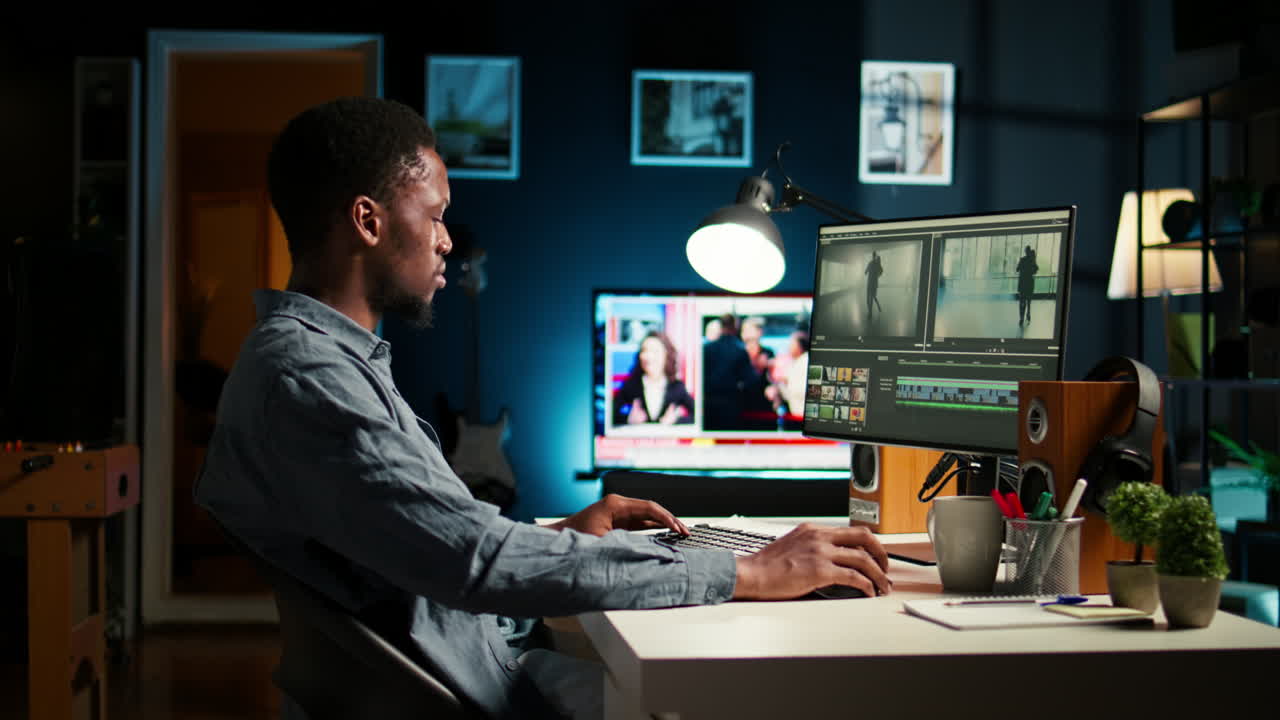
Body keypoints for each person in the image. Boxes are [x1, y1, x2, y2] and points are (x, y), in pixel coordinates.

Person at [194, 96, 891, 720]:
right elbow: (476, 560)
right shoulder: (308, 379)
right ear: (368, 221)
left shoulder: (326, 362)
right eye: (435, 215)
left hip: (491, 661)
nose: (446, 239)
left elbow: (434, 541)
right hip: (495, 690)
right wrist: (748, 572)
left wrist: (564, 538)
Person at [612, 331, 694, 426]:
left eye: (655, 351)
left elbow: (699, 416)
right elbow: (610, 414)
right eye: (644, 350)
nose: (648, 356)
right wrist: (628, 419)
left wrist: (676, 421)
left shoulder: (676, 386)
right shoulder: (632, 385)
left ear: (666, 355)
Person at [1016, 245, 1039, 326]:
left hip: (1022, 283)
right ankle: (1028, 314)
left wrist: (1022, 269)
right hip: (1030, 283)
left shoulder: (1022, 259)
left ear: (1025, 251)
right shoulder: (1032, 260)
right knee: (1029, 300)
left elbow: (1017, 269)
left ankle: (1021, 318)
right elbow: (1036, 270)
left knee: (1022, 301)